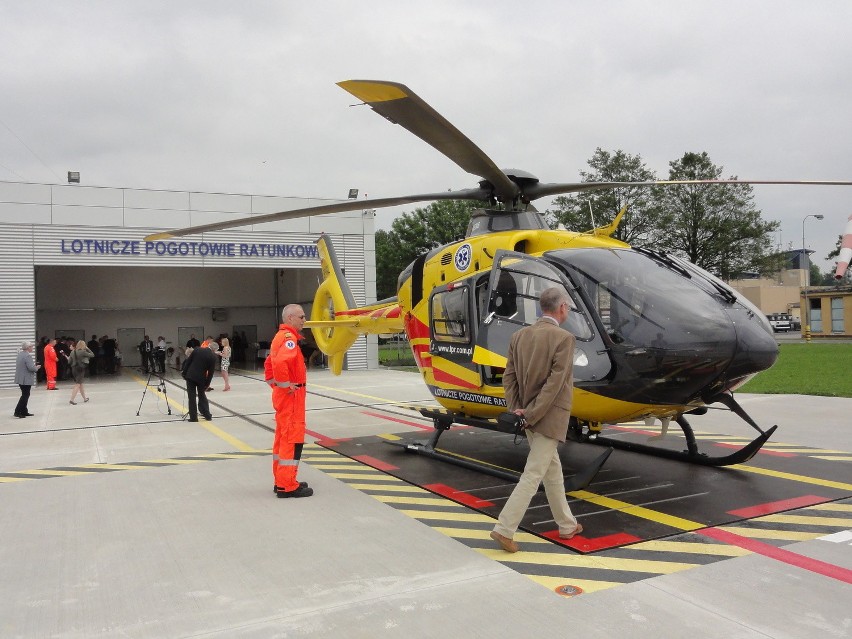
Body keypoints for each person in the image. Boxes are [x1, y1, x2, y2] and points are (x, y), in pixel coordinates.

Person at [490, 287, 583, 553]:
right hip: (548, 418)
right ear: (562, 307)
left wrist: (518, 409)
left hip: (527, 416)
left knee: (552, 471)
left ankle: (567, 525)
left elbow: (509, 376)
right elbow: (556, 384)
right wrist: (532, 413)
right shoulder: (564, 338)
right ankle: (504, 529)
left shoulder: (519, 336)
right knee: (533, 475)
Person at [266, 304, 312, 498]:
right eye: (301, 317)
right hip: (292, 396)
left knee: (282, 437)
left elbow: (269, 363)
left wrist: (275, 384)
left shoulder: (279, 338)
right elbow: (279, 362)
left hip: (285, 396)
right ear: (291, 318)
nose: (304, 320)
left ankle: (282, 480)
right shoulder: (289, 339)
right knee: (291, 439)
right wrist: (285, 386)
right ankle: (287, 485)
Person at [181, 340, 216, 422]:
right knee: (202, 396)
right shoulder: (213, 357)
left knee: (192, 397)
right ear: (215, 350)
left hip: (191, 376)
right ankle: (207, 415)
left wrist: (184, 373)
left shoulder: (197, 349)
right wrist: (207, 384)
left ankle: (193, 417)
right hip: (201, 378)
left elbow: (188, 362)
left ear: (209, 345)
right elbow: (211, 373)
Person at [14, 341, 40, 417]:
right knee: (25, 395)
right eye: (31, 346)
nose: (32, 348)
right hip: (25, 379)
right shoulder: (27, 356)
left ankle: (24, 411)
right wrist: (37, 368)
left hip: (20, 378)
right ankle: (18, 411)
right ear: (28, 347)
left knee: (25, 394)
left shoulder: (20, 354)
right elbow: (31, 368)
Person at [68, 339, 94, 405]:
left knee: (80, 384)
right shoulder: (83, 352)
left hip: (73, 369)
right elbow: (92, 355)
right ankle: (72, 399)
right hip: (80, 369)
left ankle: (84, 398)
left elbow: (69, 362)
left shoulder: (72, 352)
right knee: (78, 384)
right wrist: (87, 348)